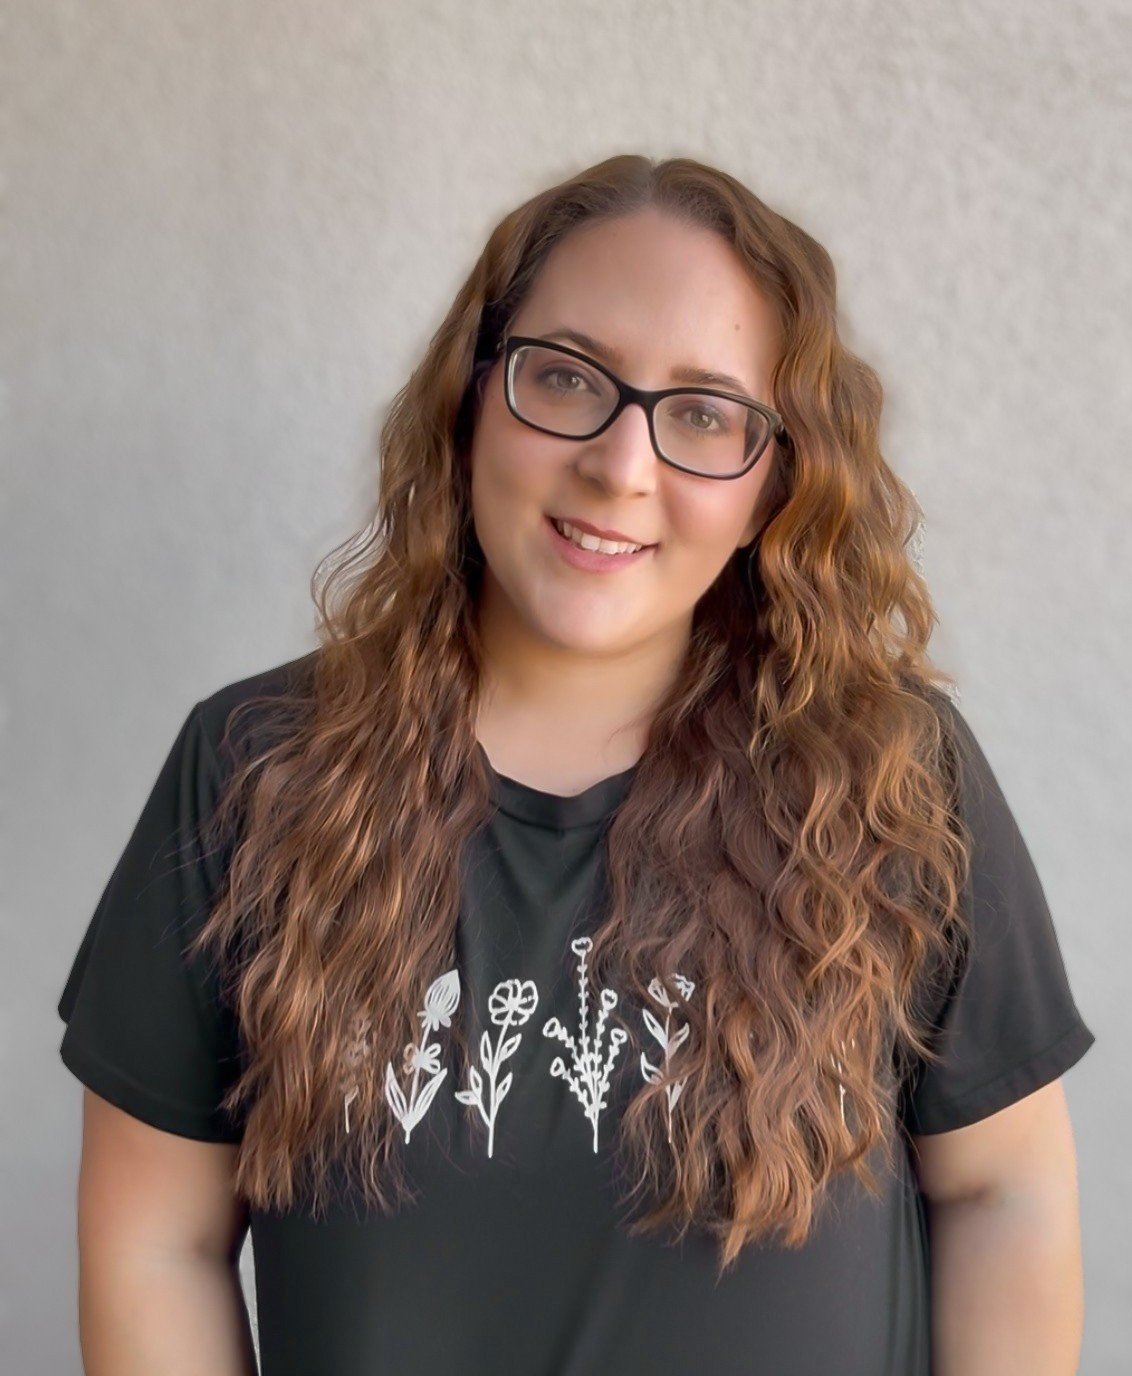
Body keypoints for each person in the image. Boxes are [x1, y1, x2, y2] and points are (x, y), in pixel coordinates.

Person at [57, 154, 1095, 1376]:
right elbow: (158, 1241)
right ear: (470, 396)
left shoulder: (891, 777)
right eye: (565, 376)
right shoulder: (254, 771)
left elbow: (1001, 1192)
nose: (619, 464)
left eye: (704, 413)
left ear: (776, 479)